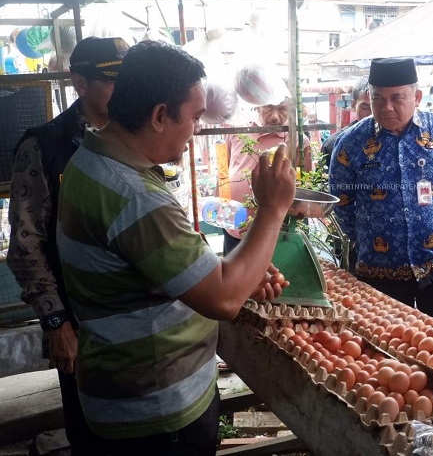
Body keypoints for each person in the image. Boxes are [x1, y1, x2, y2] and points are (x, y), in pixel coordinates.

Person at [55, 40, 295, 455]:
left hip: (121, 394)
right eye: (195, 117)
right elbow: (223, 300)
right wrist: (273, 209)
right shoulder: (134, 194)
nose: (197, 129)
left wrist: (230, 270)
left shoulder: (92, 159)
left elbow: (145, 261)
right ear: (160, 115)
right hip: (154, 412)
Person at [7, 36, 130, 453]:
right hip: (80, 321)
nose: (124, 90)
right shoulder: (45, 145)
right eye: (112, 80)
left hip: (136, 317)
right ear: (80, 82)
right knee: (92, 432)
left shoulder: (137, 136)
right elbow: (26, 244)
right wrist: (56, 323)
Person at [329, 57, 433, 333]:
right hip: (378, 274)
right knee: (384, 348)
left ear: (417, 97)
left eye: (396, 98)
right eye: (378, 98)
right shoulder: (351, 143)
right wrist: (362, 242)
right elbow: (341, 202)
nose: (386, 107)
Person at [224, 66, 311, 255]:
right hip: (235, 229)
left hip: (277, 234)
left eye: (282, 109)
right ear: (257, 105)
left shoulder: (299, 142)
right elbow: (224, 173)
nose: (275, 116)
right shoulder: (237, 133)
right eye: (269, 107)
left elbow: (306, 189)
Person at [321, 76, 371, 171]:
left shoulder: (391, 140)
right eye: (365, 107)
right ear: (353, 105)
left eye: (376, 107)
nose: (371, 114)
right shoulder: (333, 144)